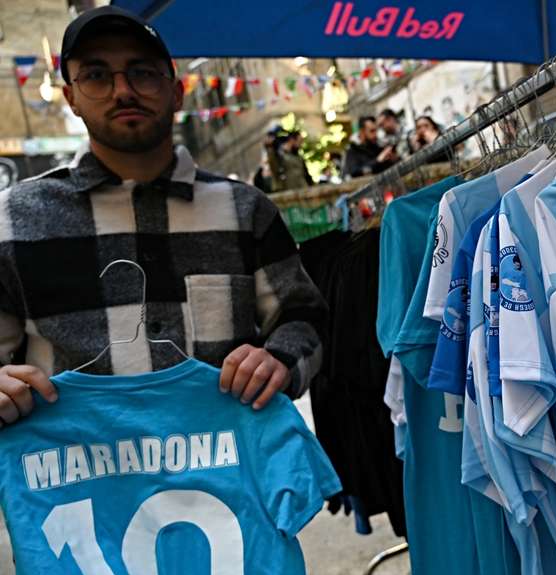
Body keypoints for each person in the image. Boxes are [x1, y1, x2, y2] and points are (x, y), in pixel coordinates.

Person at [0, 5, 328, 427]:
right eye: (97, 75)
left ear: (176, 91)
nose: (123, 91)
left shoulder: (245, 212)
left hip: (229, 476)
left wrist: (279, 360)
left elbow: (303, 317)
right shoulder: (15, 220)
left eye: (142, 72)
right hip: (78, 484)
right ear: (72, 99)